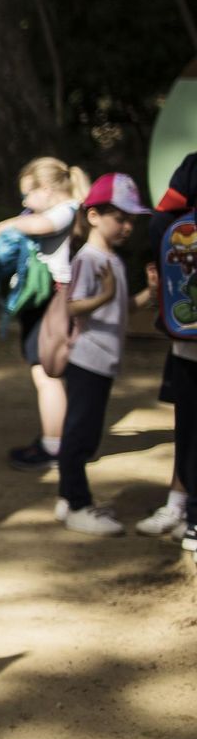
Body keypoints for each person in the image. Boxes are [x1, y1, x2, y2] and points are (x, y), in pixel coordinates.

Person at [54, 174, 149, 536]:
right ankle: (77, 505)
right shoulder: (89, 259)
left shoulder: (113, 261)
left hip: (104, 361)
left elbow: (121, 310)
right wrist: (106, 296)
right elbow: (75, 306)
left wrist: (149, 295)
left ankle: (68, 497)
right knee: (79, 435)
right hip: (87, 360)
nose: (126, 227)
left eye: (130, 221)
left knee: (87, 435)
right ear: (93, 216)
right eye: (119, 218)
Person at [0, 158, 91, 471]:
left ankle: (54, 445)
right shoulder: (66, 208)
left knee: (47, 372)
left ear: (47, 190)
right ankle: (56, 440)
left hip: (53, 300)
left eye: (28, 194)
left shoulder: (66, 209)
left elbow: (42, 225)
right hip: (49, 300)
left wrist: (7, 225)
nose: (25, 202)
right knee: (45, 371)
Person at [139, 152, 197, 548]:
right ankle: (184, 508)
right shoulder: (194, 166)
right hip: (189, 331)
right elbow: (163, 219)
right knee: (189, 421)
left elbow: (161, 221)